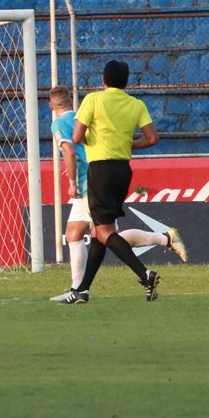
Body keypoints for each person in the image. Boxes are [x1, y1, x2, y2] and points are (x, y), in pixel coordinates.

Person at [47, 85, 187, 304]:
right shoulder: (83, 117)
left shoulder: (58, 123)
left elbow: (70, 151)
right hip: (106, 174)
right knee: (82, 233)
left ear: (50, 105)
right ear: (72, 101)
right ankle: (80, 290)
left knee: (107, 236)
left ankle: (162, 242)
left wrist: (72, 182)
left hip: (90, 182)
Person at [58, 61, 163, 304]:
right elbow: (152, 138)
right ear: (126, 82)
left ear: (103, 81)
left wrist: (94, 140)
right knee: (98, 233)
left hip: (101, 169)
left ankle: (145, 274)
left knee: (105, 232)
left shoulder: (93, 100)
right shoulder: (136, 104)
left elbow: (76, 137)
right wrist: (128, 144)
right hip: (123, 170)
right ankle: (82, 290)